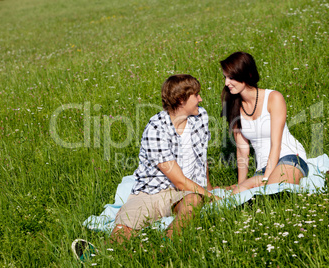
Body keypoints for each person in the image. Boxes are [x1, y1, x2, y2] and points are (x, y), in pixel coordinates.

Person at [110, 74, 219, 243]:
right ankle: (98, 255)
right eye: (196, 95)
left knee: (192, 202)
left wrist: (208, 189)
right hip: (151, 192)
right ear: (182, 99)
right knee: (124, 227)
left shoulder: (201, 117)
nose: (201, 98)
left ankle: (166, 247)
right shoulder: (156, 128)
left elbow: (201, 158)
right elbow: (179, 181)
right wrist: (213, 197)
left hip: (185, 192)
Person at [220, 52, 309, 194]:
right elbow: (242, 151)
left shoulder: (273, 98)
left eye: (231, 77)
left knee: (275, 189)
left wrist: (267, 177)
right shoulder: (233, 106)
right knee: (237, 196)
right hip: (262, 167)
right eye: (225, 77)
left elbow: (276, 144)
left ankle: (268, 181)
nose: (226, 83)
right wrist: (240, 185)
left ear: (247, 74)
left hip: (289, 157)